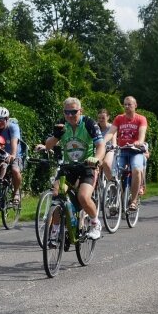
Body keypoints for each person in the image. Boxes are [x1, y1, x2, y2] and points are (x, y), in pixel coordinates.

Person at [37, 97, 105, 243]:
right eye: (66, 112)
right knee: (56, 195)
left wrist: (97, 159)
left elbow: (100, 145)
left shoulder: (89, 123)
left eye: (73, 112)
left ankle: (95, 223)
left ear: (81, 111)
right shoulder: (62, 124)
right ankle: (55, 232)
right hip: (68, 167)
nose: (69, 116)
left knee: (83, 197)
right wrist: (56, 136)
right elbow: (48, 145)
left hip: (87, 166)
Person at [103, 96, 148, 211]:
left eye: (129, 104)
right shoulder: (119, 118)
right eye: (125, 104)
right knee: (115, 173)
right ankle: (117, 198)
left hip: (136, 151)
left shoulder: (141, 119)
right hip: (122, 150)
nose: (127, 107)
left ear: (135, 105)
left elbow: (142, 134)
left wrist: (139, 142)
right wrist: (103, 142)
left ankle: (133, 200)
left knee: (137, 170)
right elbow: (111, 132)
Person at [97, 109, 116, 182]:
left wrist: (113, 145)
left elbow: (114, 141)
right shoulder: (96, 127)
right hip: (99, 150)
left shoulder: (111, 127)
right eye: (99, 118)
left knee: (106, 163)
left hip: (109, 149)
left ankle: (112, 182)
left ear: (108, 117)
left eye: (103, 118)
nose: (101, 120)